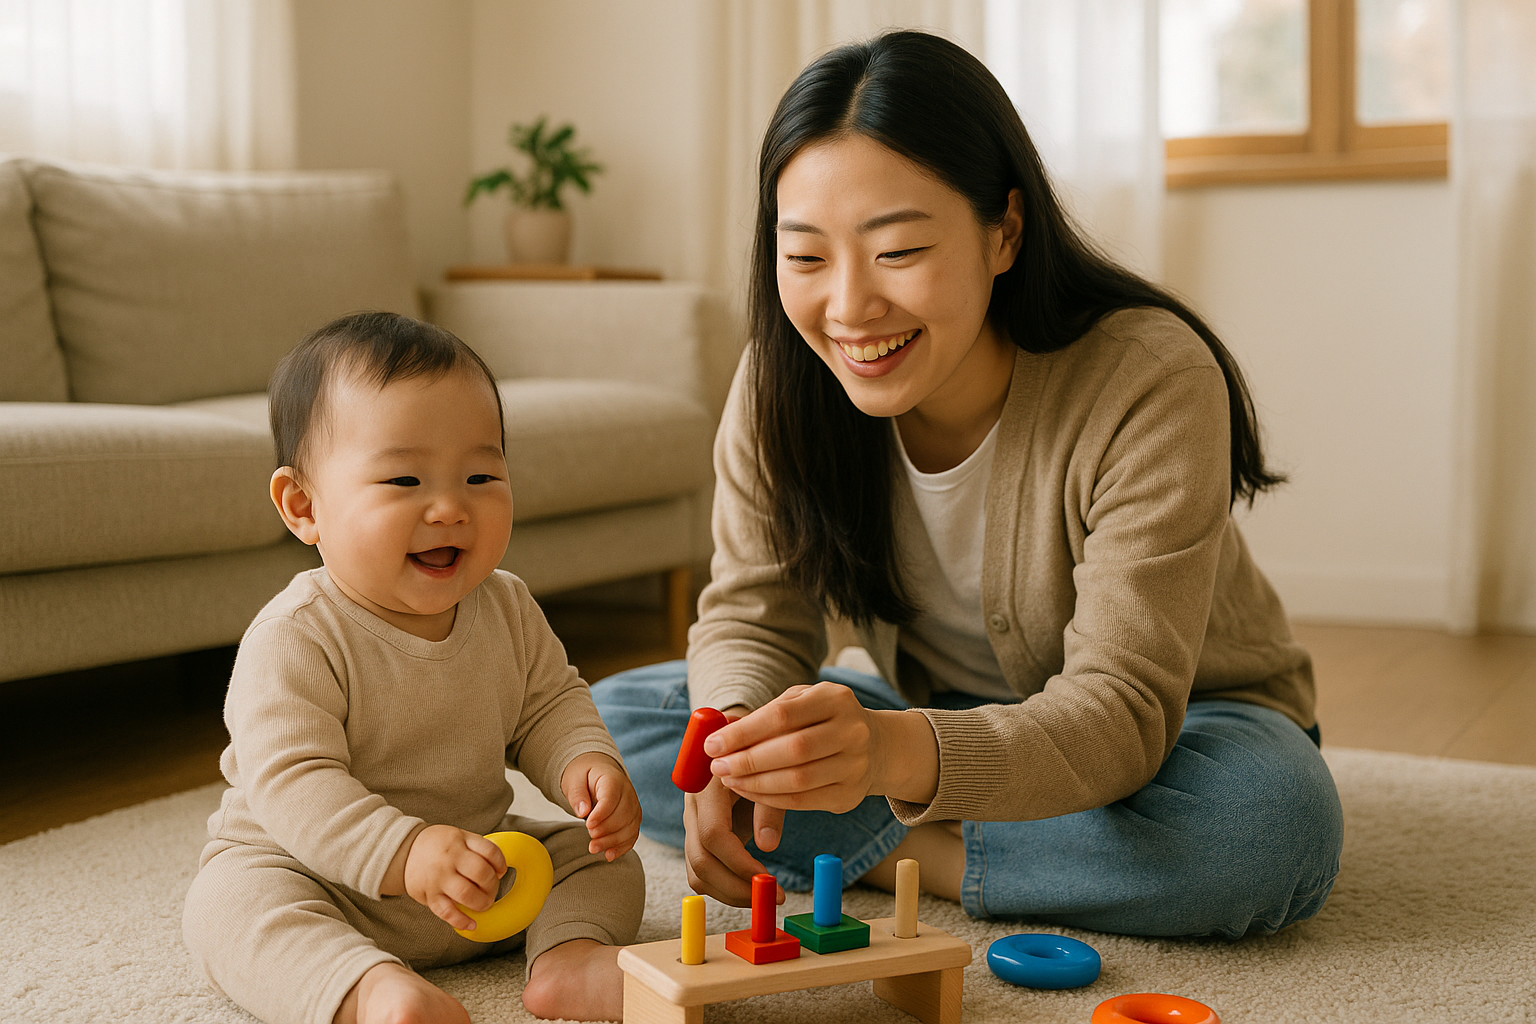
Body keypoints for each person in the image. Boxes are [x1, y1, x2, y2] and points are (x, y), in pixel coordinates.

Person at [592, 30, 1344, 940]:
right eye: (806, 257)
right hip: (933, 725)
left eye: (898, 250)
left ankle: (917, 858)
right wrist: (734, 740)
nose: (848, 308)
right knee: (615, 726)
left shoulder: (1147, 377)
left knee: (1263, 831)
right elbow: (753, 614)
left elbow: (1121, 714)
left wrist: (882, 758)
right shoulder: (781, 380)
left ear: (1005, 232)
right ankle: (1031, 854)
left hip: (1183, 724)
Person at [182, 311, 644, 1024]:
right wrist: (405, 852)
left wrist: (586, 763)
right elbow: (295, 783)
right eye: (404, 479)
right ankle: (368, 991)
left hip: (476, 869)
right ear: (303, 506)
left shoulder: (507, 606)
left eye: (481, 474)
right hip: (320, 876)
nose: (451, 507)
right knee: (231, 906)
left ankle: (568, 957)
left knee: (599, 861)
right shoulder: (297, 636)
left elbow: (550, 702)